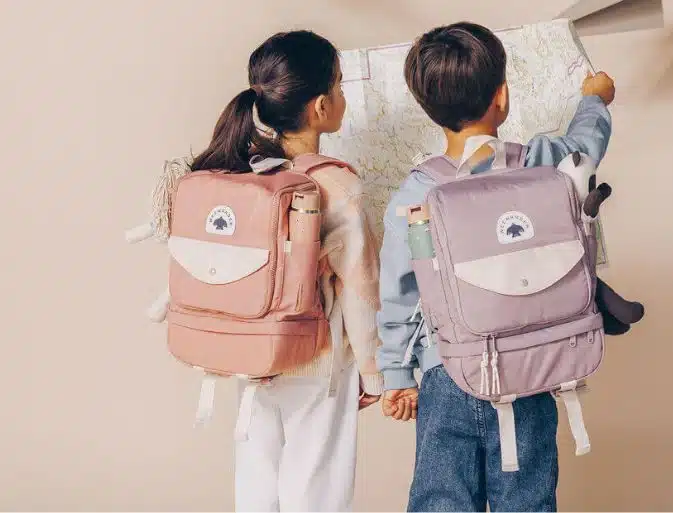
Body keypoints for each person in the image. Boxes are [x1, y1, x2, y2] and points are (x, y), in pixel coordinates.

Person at [376, 22, 615, 512]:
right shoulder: (541, 162)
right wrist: (596, 98)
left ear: (427, 107)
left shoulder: (415, 193)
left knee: (441, 501)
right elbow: (586, 144)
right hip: (530, 366)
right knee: (527, 501)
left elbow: (398, 294)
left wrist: (397, 375)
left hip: (447, 368)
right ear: (501, 96)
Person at [189, 30, 383, 512]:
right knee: (316, 489)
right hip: (318, 359)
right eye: (339, 86)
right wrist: (374, 371)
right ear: (320, 106)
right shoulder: (336, 185)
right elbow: (360, 289)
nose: (342, 97)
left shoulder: (243, 172)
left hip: (252, 352)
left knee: (256, 486)